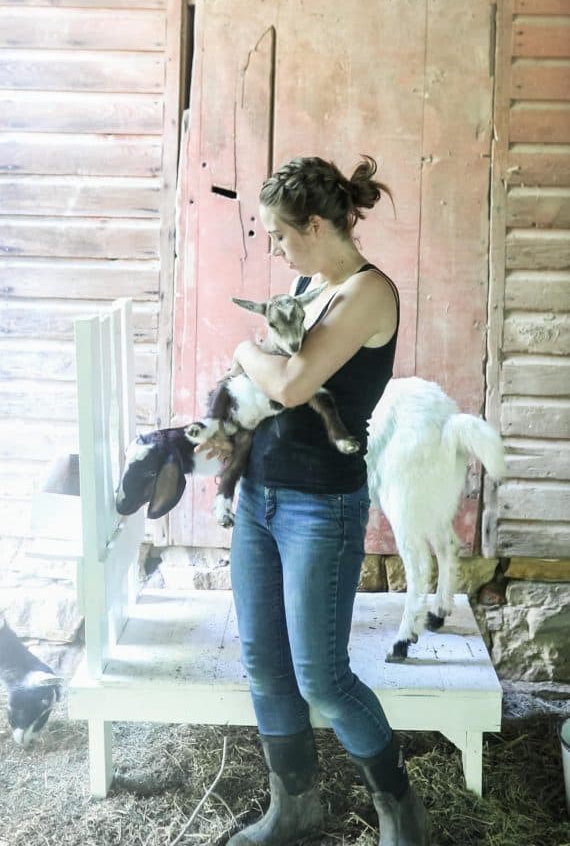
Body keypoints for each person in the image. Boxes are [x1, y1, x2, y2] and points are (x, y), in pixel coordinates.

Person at [209, 155, 428, 846]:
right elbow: (279, 385)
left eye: (279, 234)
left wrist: (246, 352)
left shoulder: (368, 292)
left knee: (324, 680)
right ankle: (294, 807)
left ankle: (400, 807)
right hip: (260, 497)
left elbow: (294, 385)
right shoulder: (309, 281)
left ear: (312, 224)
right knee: (266, 666)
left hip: (319, 508)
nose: (274, 249)